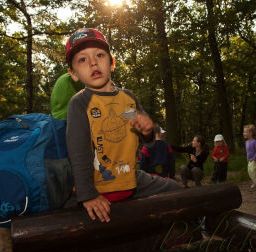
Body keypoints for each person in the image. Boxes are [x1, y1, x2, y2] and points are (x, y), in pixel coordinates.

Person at [65, 28, 181, 223]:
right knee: (65, 234)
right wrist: (87, 194)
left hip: (132, 179)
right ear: (74, 73)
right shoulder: (80, 103)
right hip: (96, 183)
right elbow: (78, 151)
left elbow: (149, 140)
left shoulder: (127, 100)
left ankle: (187, 232)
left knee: (176, 190)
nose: (93, 62)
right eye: (82, 60)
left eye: (99, 55)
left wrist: (147, 131)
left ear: (112, 63)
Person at [243, 124, 256, 190]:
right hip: (250, 160)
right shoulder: (246, 142)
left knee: (253, 171)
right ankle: (255, 182)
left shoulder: (254, 142)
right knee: (249, 171)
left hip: (255, 160)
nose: (244, 133)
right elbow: (248, 152)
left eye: (246, 132)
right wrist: (247, 159)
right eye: (244, 132)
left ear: (251, 133)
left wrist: (255, 158)